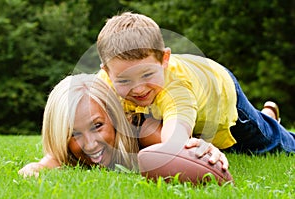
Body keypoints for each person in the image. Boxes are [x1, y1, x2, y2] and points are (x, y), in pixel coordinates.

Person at [96, 12, 295, 158]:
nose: (138, 88)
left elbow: (176, 133)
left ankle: (269, 122)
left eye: (147, 74)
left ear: (164, 59)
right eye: (124, 80)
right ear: (107, 71)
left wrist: (178, 144)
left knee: (267, 145)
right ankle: (267, 115)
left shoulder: (177, 87)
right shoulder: (103, 83)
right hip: (183, 108)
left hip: (221, 93)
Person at [18, 74, 139, 177]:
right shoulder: (69, 156)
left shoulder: (142, 135)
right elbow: (42, 166)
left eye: (97, 126)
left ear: (115, 117)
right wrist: (32, 169)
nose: (91, 145)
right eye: (74, 134)